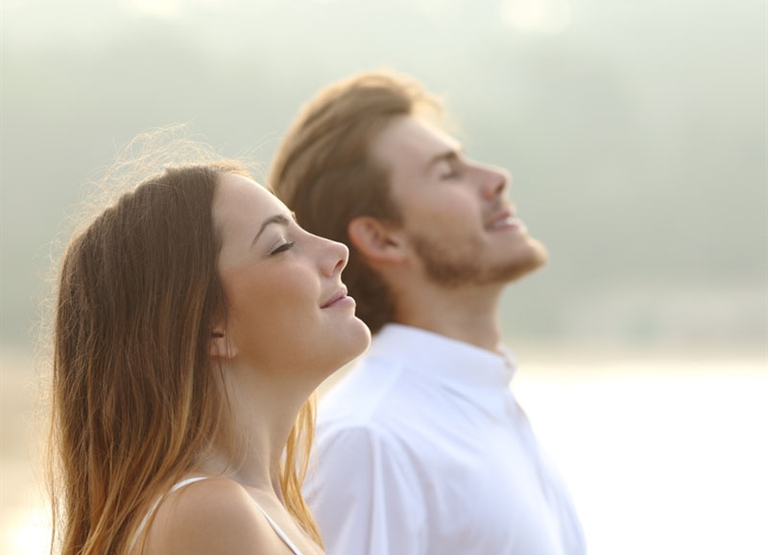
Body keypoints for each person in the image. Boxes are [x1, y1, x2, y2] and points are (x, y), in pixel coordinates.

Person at [270, 71, 587, 555]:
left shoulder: (482, 405)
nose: (496, 179)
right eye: (448, 172)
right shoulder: (372, 441)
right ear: (381, 238)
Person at [46, 144, 371, 555]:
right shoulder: (209, 515)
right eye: (282, 245)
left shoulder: (260, 508)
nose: (336, 251)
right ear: (210, 328)